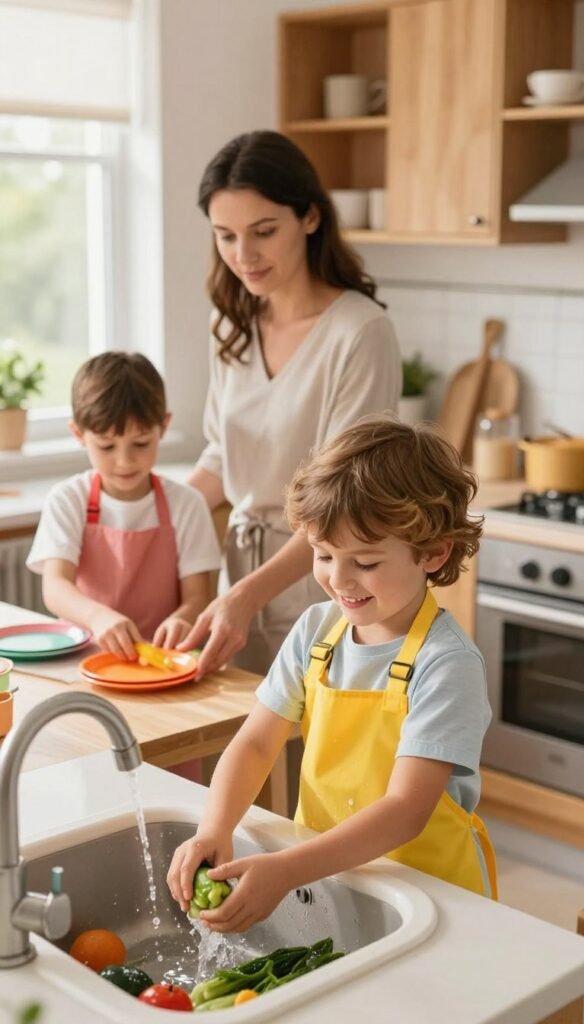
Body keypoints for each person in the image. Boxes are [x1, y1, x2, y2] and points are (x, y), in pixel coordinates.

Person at [167, 417, 498, 930]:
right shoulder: (317, 631)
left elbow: (406, 808)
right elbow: (256, 743)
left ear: (433, 553)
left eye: (364, 562)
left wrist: (285, 870)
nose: (338, 580)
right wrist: (215, 826)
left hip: (432, 900)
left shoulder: (446, 663)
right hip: (328, 880)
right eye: (323, 555)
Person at [179, 130, 401, 678]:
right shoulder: (230, 324)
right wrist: (151, 515)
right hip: (242, 581)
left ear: (309, 218)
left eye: (263, 231)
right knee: (246, 752)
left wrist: (249, 595)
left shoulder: (358, 332)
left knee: (315, 758)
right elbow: (219, 457)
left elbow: (344, 499)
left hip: (331, 586)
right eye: (225, 236)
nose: (243, 255)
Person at [27, 352, 221, 658]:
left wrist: (183, 619)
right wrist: (97, 617)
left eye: (141, 443)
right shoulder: (68, 499)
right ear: (78, 433)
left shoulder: (186, 504)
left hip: (162, 662)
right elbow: (55, 587)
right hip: (84, 659)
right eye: (106, 445)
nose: (125, 460)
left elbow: (197, 596)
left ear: (164, 426)